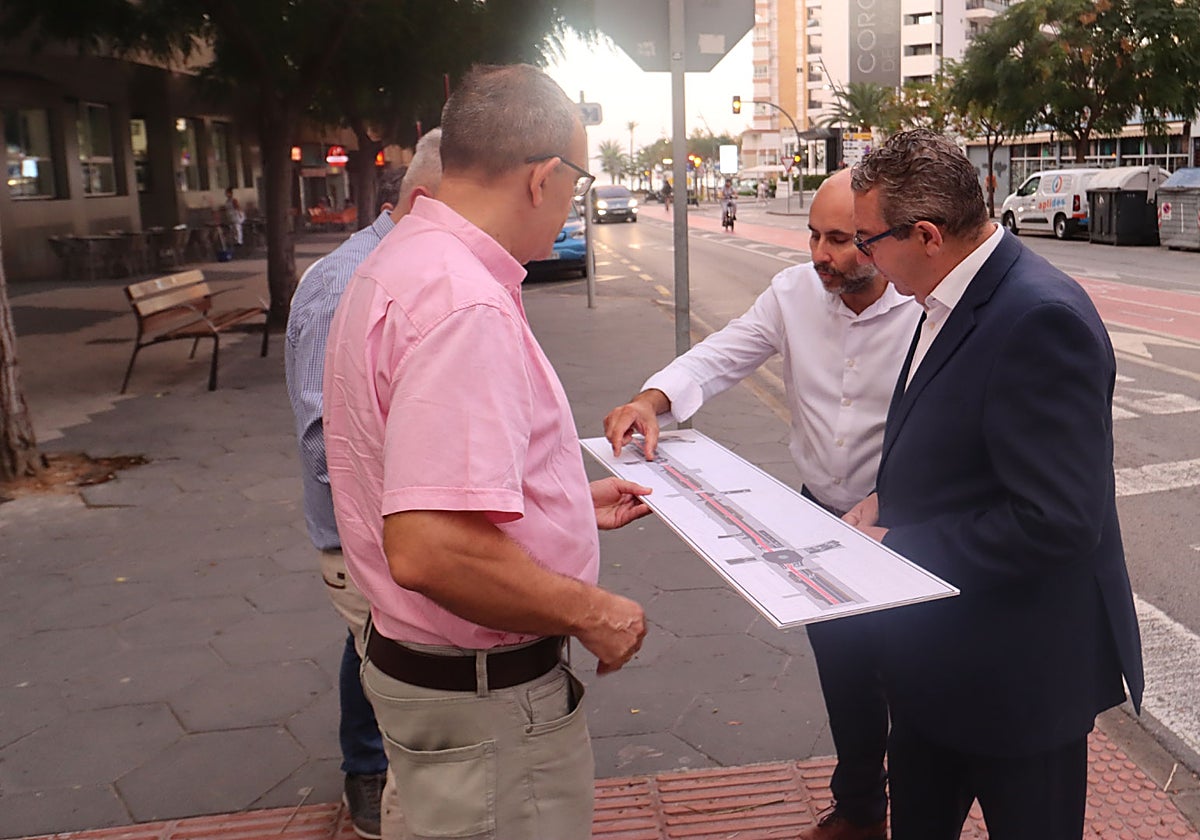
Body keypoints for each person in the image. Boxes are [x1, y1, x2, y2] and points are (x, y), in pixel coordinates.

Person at [322, 64, 653, 840]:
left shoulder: (399, 264)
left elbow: (410, 479)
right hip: (486, 706)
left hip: (425, 674)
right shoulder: (464, 303)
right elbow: (431, 549)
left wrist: (563, 504)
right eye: (577, 184)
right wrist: (595, 612)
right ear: (543, 178)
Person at [603, 168, 922, 840]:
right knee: (844, 674)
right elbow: (720, 355)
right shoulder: (793, 292)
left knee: (915, 682)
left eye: (840, 240)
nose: (820, 255)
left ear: (877, 238)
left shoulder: (924, 307)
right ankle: (861, 811)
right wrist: (649, 401)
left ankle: (922, 814)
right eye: (813, 235)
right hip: (819, 513)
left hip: (906, 522)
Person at [844, 128, 1143, 839]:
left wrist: (897, 544)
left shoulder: (1039, 317)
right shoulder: (948, 294)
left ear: (926, 235)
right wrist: (889, 497)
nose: (862, 258)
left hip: (1019, 688)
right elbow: (963, 444)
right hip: (936, 670)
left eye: (867, 240)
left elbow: (1057, 519)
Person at [285, 130, 443, 839]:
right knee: (394, 669)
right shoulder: (345, 281)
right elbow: (329, 440)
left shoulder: (411, 268)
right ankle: (371, 771)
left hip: (392, 537)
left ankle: (365, 762)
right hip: (367, 540)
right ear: (424, 200)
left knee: (372, 651)